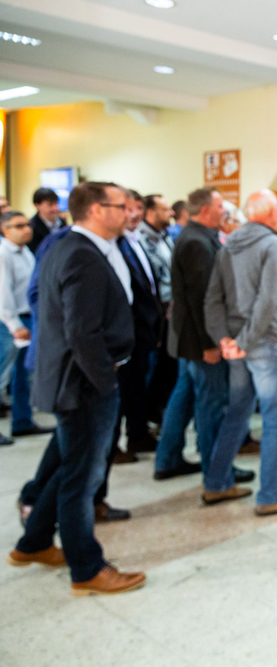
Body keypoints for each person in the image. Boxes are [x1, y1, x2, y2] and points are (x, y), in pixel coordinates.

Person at [8, 181, 146, 595]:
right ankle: (86, 568)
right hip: (84, 385)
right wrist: (106, 383)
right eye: (121, 207)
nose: (128, 213)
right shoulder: (82, 256)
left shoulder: (71, 246)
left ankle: (31, 543)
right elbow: (81, 333)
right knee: (82, 479)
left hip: (76, 380)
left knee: (68, 467)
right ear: (96, 210)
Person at [202, 190, 277, 515]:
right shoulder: (274, 245)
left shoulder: (228, 245)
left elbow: (212, 299)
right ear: (274, 214)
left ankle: (216, 483)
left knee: (238, 412)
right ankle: (272, 495)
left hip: (236, 345)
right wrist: (243, 342)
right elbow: (269, 300)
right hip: (264, 343)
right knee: (276, 420)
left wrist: (225, 340)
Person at [154, 188, 245, 482]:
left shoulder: (197, 237)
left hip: (188, 339)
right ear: (205, 210)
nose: (225, 212)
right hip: (200, 341)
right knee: (211, 404)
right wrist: (211, 343)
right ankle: (217, 471)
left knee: (184, 397)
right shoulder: (196, 242)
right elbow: (202, 299)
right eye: (220, 206)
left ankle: (168, 459)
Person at [109, 190, 162, 464]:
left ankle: (137, 434)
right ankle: (112, 445)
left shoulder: (134, 240)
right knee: (121, 389)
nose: (134, 214)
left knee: (136, 386)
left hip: (142, 329)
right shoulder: (114, 245)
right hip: (124, 331)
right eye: (127, 209)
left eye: (138, 208)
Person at [0, 211, 52, 440]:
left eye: (27, 225)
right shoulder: (3, 254)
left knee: (23, 375)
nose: (26, 229)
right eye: (18, 226)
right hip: (10, 322)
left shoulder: (26, 253)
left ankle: (22, 421)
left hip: (28, 318)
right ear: (5, 229)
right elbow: (2, 293)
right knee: (2, 374)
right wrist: (14, 324)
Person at [138, 194, 177, 424]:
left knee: (167, 364)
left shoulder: (165, 237)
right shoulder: (143, 239)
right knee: (155, 365)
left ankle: (158, 408)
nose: (170, 213)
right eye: (165, 209)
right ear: (150, 213)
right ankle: (149, 412)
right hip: (156, 308)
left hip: (170, 305)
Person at [27, 188, 63, 254]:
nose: (55, 208)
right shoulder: (32, 227)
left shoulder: (62, 223)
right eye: (50, 205)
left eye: (56, 203)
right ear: (37, 206)